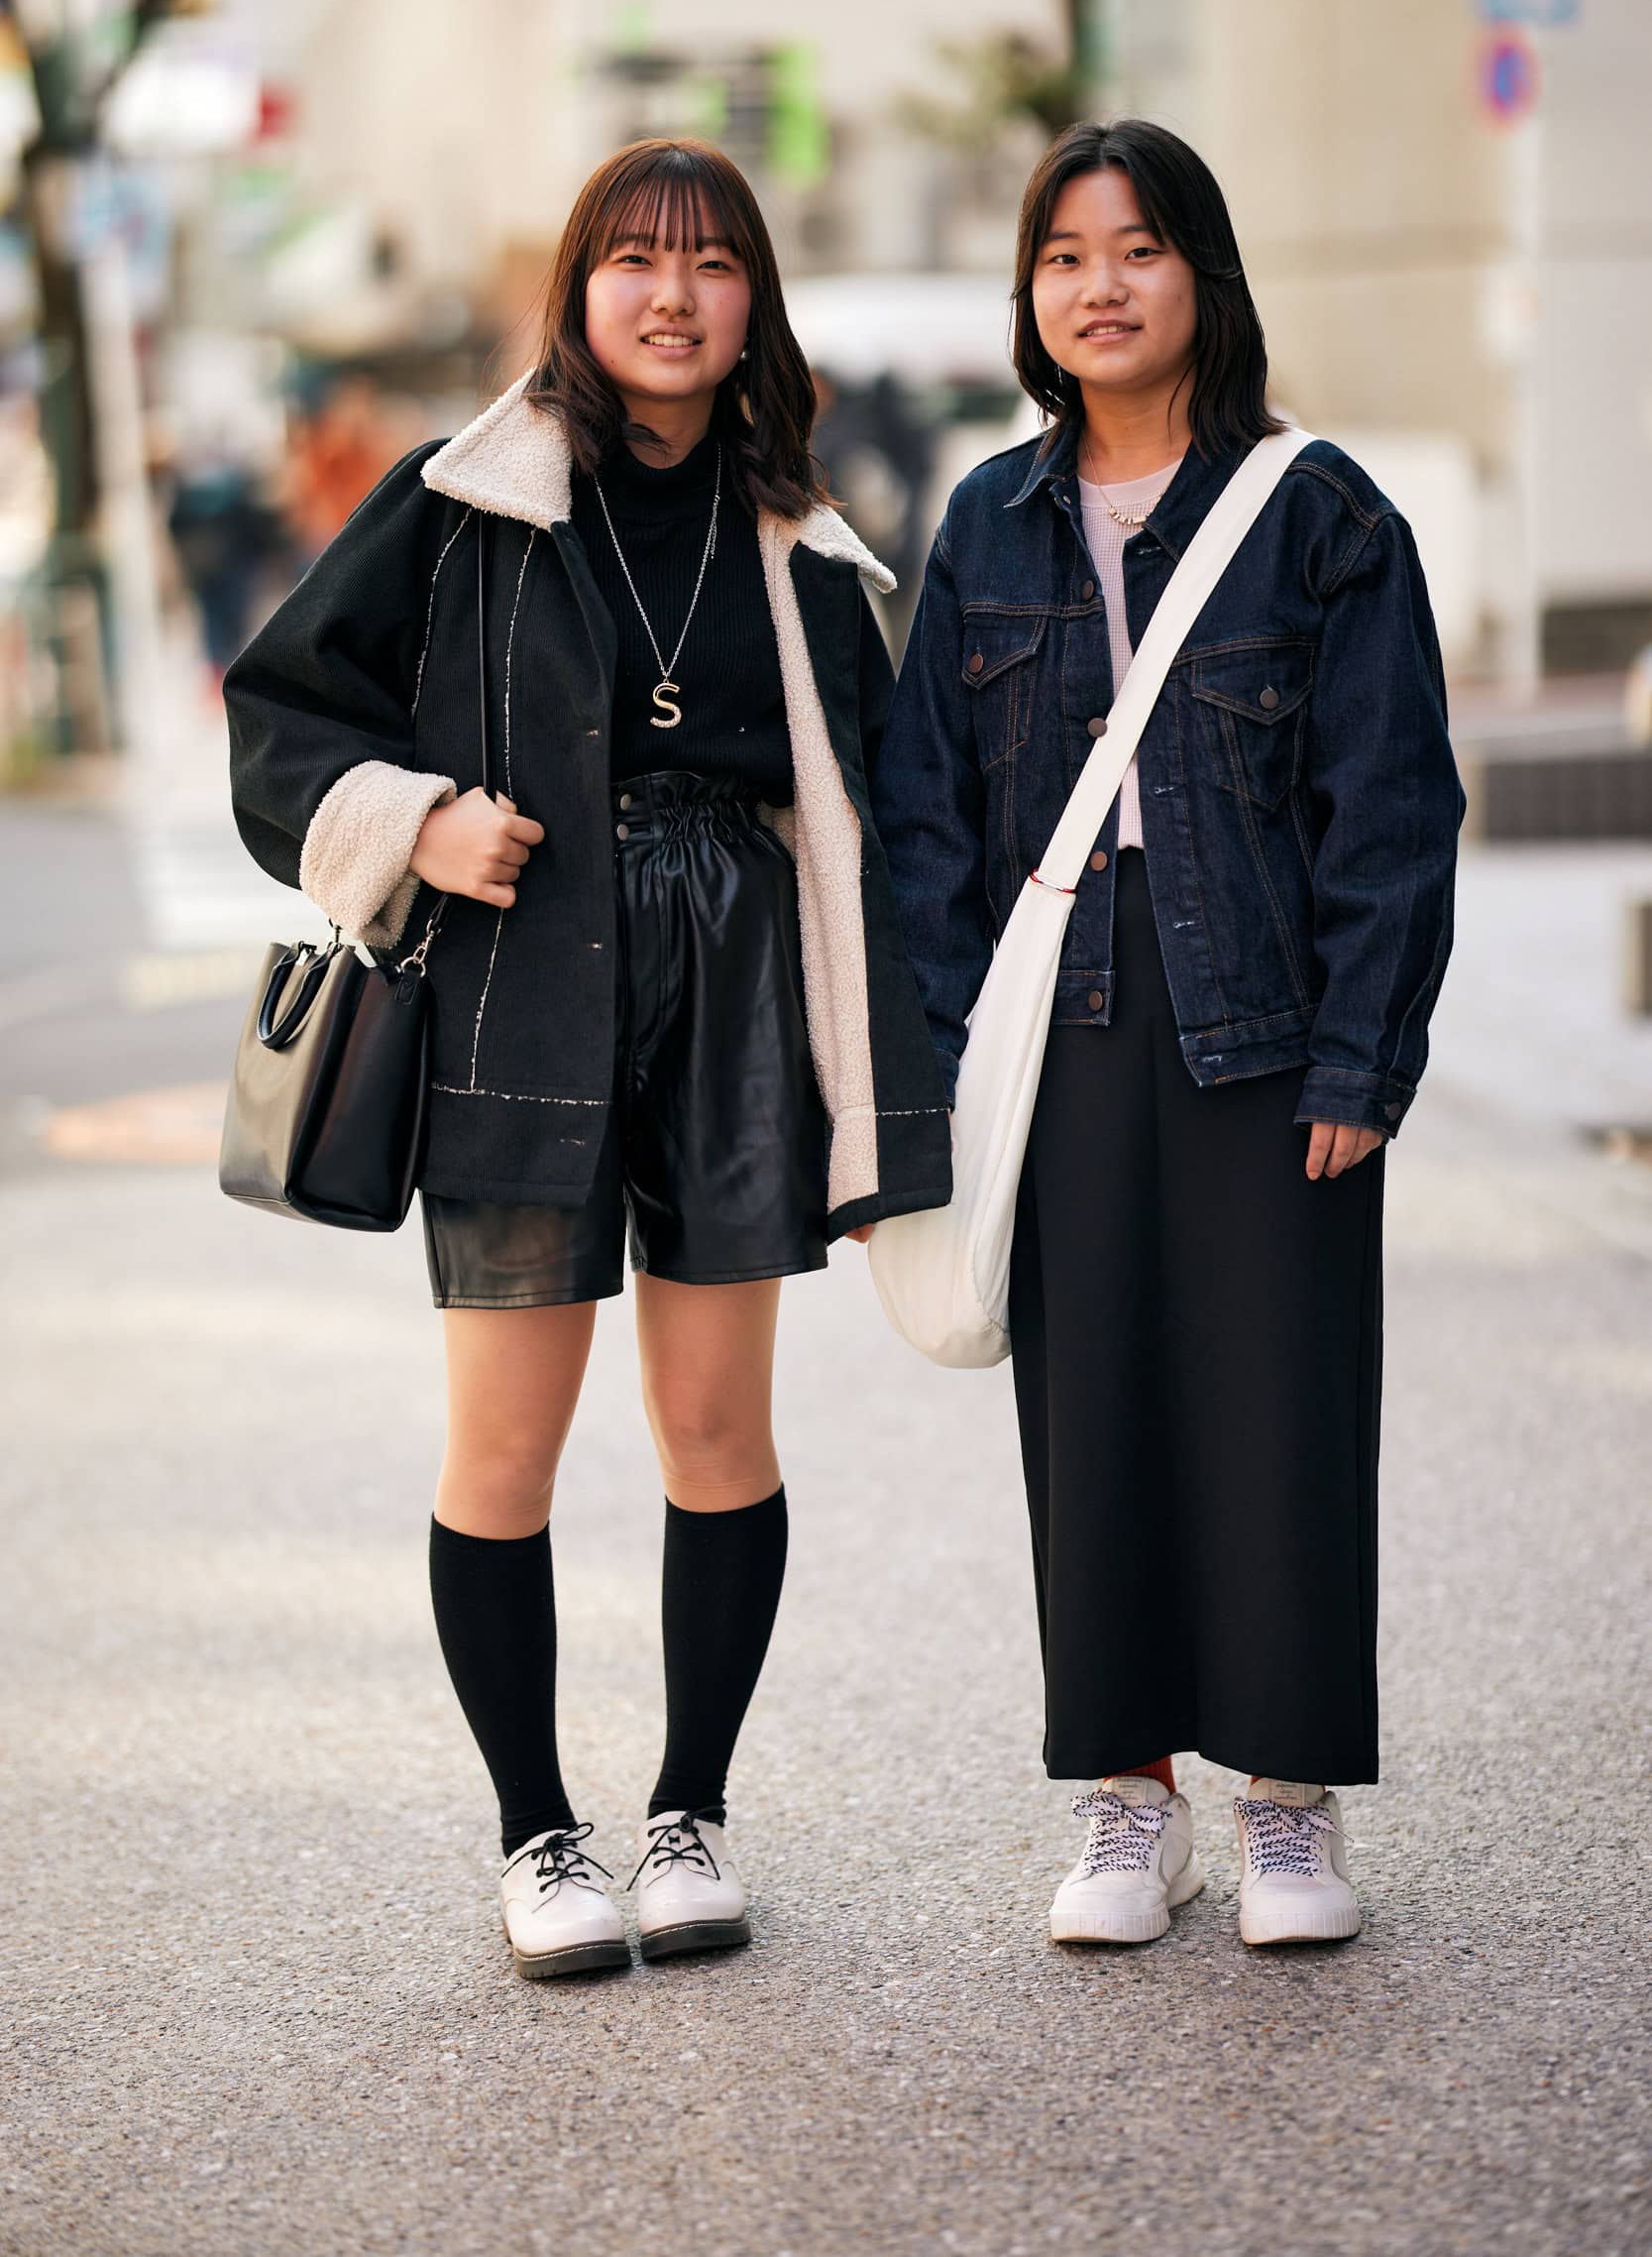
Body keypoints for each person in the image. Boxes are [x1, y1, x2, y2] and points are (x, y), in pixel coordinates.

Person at [224, 139, 950, 1979]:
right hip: (517, 983)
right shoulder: (463, 503)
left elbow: (887, 816)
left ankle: (691, 1812)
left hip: (733, 992)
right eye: (634, 258)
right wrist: (415, 821)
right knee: (504, 1444)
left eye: (710, 263)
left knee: (716, 1429)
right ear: (581, 287)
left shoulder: (805, 538)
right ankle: (535, 1832)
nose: (671, 295)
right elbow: (279, 712)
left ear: (753, 302)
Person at [871, 119, 1464, 1949]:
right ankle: (1130, 1799)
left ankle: (1289, 1804)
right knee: (1096, 1409)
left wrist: (1362, 1056)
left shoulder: (1320, 513)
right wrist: (949, 1058)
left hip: (1263, 1014)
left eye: (1136, 249)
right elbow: (924, 820)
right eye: (1063, 256)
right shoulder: (987, 519)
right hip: (1062, 1018)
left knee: (1283, 1404)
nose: (1101, 286)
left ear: (1203, 274)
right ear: (1029, 295)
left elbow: (1391, 804)